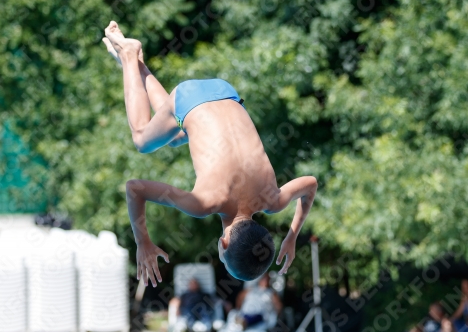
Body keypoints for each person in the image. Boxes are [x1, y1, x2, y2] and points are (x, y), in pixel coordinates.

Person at [102, 21, 318, 286]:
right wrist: (142, 242)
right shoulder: (204, 204)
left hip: (225, 91)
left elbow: (310, 184)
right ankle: (128, 56)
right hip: (188, 98)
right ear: (223, 244)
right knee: (142, 139)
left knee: (176, 136)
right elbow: (135, 188)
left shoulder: (273, 200)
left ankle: (137, 68)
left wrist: (292, 236)